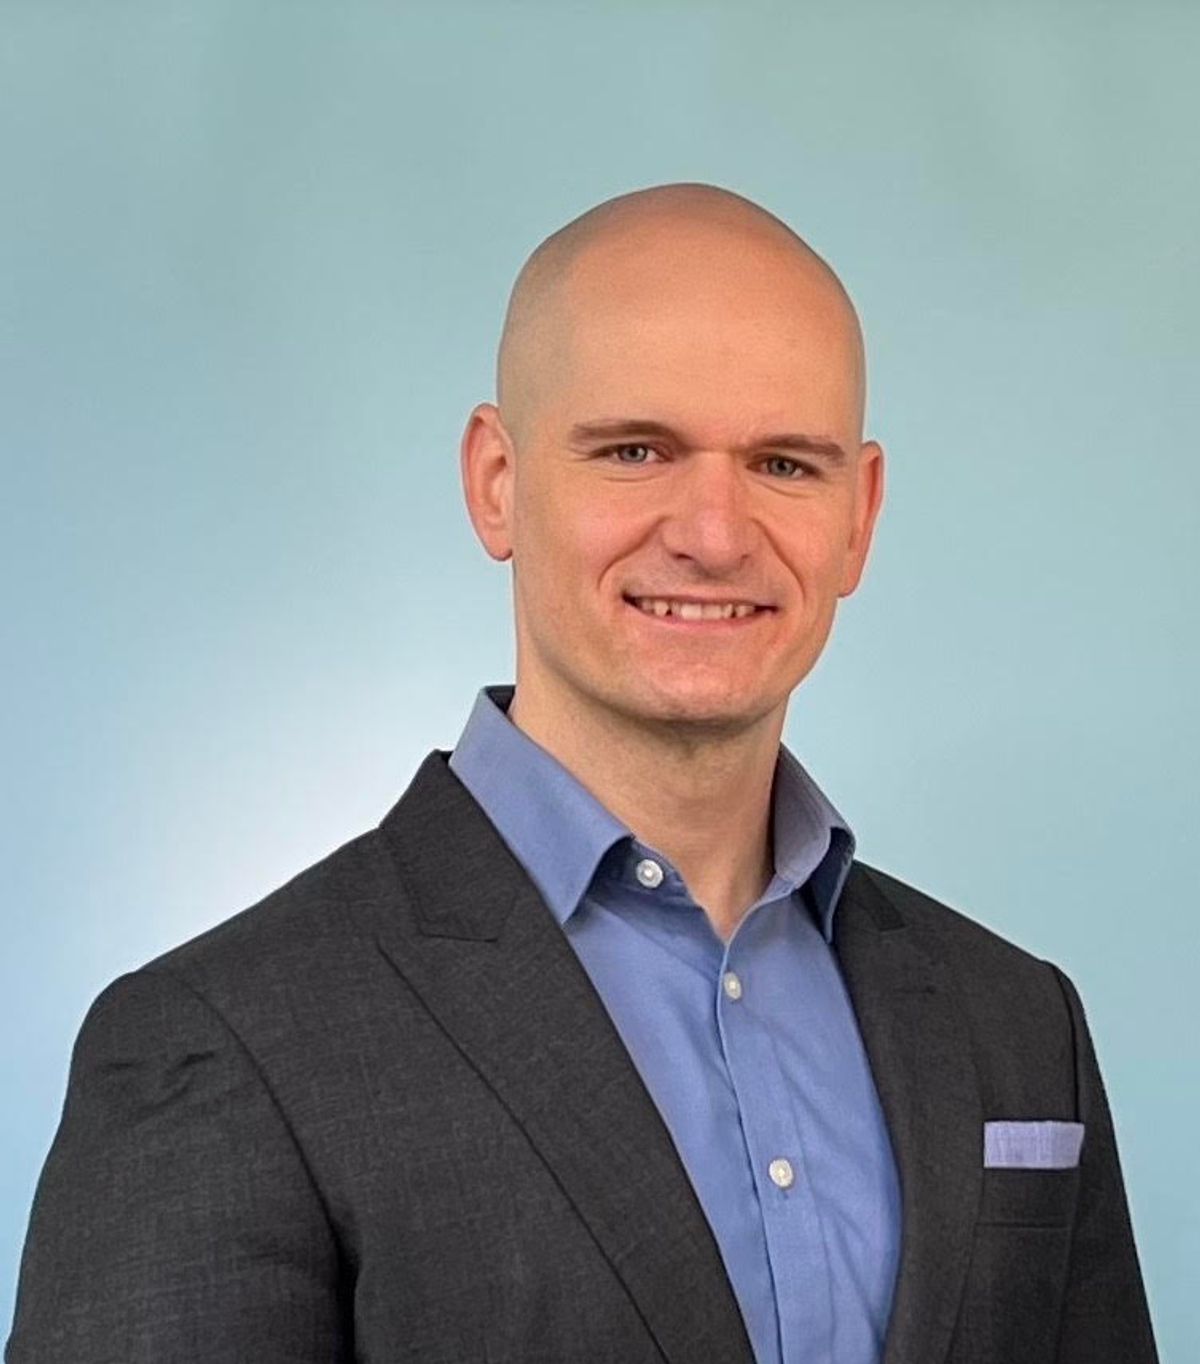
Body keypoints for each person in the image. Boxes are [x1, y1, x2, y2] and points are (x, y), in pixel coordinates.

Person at [6, 183, 1157, 1364]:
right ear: (497, 481)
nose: (714, 532)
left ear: (858, 516)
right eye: (636, 449)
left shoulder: (1019, 1024)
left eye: (783, 464)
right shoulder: (222, 1043)